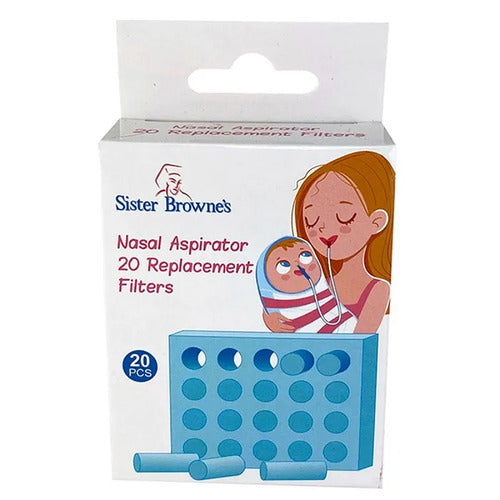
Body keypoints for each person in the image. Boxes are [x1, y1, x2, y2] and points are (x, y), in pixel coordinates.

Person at [263, 151, 394, 334]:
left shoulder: (378, 289)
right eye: (311, 221)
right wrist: (271, 318)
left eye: (344, 216)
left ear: (376, 222)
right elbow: (286, 302)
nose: (323, 228)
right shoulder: (316, 281)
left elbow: (360, 340)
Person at [256, 236, 356, 333]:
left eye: (305, 255)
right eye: (283, 265)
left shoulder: (333, 295)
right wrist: (268, 317)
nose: (297, 265)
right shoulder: (275, 312)